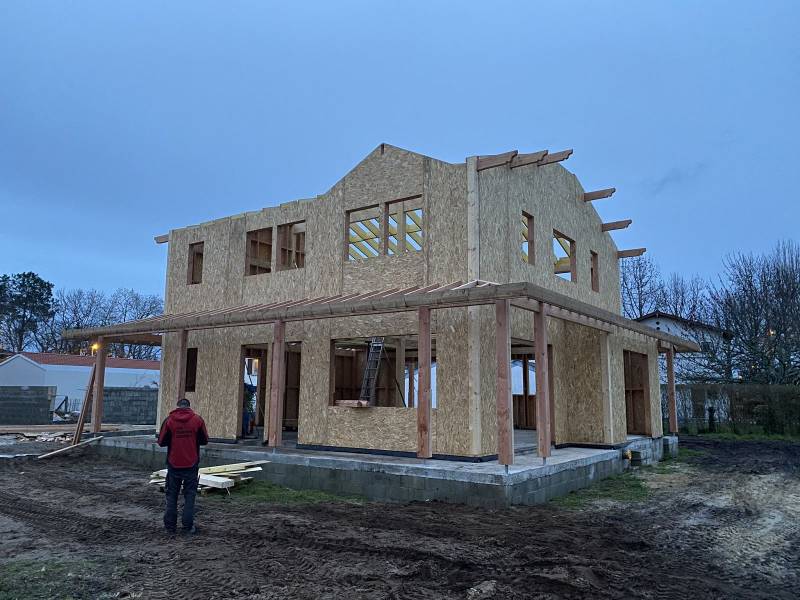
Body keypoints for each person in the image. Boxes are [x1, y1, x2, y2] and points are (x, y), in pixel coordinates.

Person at [157, 398, 209, 534]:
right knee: (190, 496)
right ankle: (188, 527)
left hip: (174, 464)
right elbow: (204, 440)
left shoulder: (169, 421)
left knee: (171, 496)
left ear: (178, 406)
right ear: (189, 407)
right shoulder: (197, 420)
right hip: (191, 464)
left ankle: (170, 527)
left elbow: (161, 441)